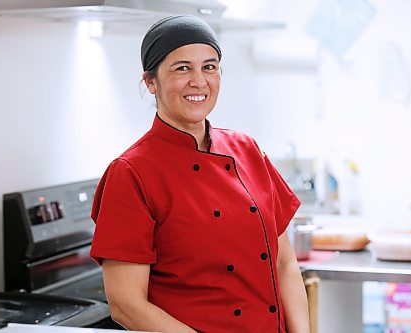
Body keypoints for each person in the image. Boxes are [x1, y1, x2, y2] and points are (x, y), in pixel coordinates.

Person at [90, 15, 310, 333]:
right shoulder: (131, 172)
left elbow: (284, 264)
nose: (199, 81)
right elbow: (126, 304)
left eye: (209, 67)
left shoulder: (247, 149)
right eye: (182, 68)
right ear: (151, 82)